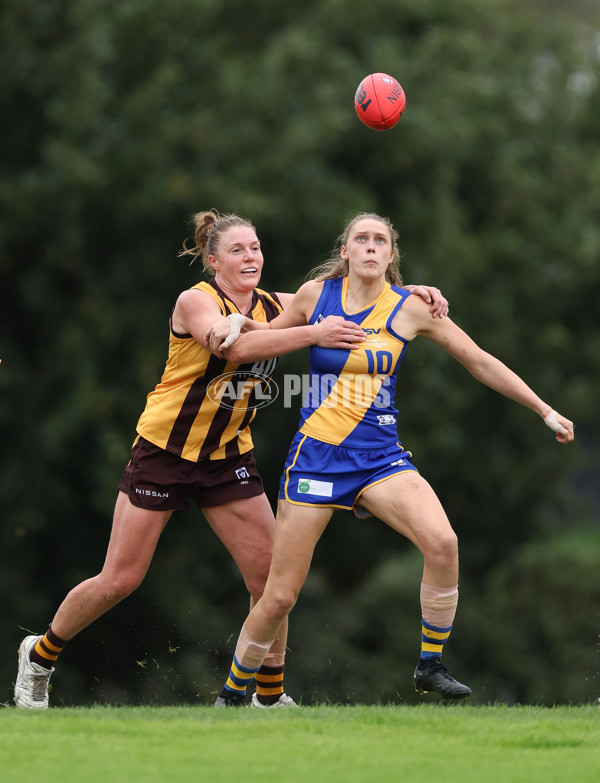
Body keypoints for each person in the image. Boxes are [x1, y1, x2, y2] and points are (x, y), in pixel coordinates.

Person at [14, 210, 448, 710]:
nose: (251, 257)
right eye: (239, 250)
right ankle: (41, 657)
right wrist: (313, 335)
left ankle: (269, 696)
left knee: (270, 583)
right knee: (121, 579)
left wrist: (409, 289)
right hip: (165, 452)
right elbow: (236, 348)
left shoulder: (272, 302)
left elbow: (351, 295)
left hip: (228, 458)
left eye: (256, 248)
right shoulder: (195, 301)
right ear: (214, 260)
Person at [209, 211, 575, 705]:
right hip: (315, 460)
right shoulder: (317, 295)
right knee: (279, 597)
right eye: (361, 238)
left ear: (391, 254)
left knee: (443, 542)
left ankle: (430, 664)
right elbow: (265, 336)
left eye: (380, 240)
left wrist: (544, 409)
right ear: (346, 250)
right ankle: (231, 698)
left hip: (380, 459)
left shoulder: (412, 308)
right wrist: (238, 321)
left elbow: (479, 360)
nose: (370, 246)